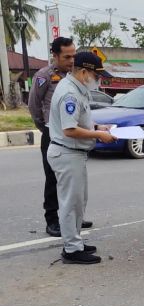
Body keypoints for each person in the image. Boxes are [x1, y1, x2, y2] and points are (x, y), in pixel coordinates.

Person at [46, 52, 116, 264]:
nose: (98, 80)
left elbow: (79, 121)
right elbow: (69, 130)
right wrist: (99, 135)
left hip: (73, 153)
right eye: (97, 75)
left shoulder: (77, 89)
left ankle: (75, 242)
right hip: (67, 152)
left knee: (78, 201)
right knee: (70, 203)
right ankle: (72, 250)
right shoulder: (70, 93)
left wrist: (96, 127)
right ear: (84, 72)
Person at [28, 37, 93, 237]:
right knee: (53, 178)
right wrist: (45, 128)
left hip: (74, 134)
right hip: (54, 133)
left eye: (74, 55)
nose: (72, 60)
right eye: (67, 56)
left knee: (74, 181)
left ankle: (74, 219)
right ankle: (53, 220)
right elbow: (33, 105)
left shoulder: (75, 76)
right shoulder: (44, 76)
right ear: (55, 55)